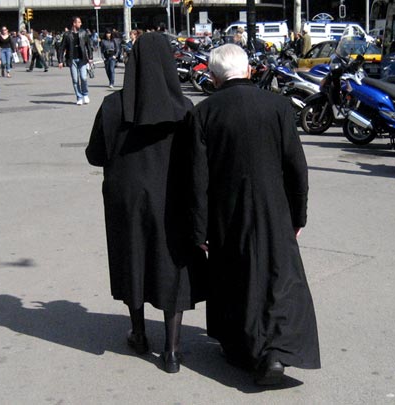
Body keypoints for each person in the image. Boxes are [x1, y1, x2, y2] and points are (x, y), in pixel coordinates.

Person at [187, 44, 321, 385]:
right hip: (274, 208)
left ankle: (245, 349)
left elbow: (198, 178)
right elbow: (296, 167)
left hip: (227, 213)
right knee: (279, 280)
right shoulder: (277, 105)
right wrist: (298, 215)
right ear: (248, 71)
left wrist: (199, 229)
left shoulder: (204, 113)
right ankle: (276, 353)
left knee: (237, 280)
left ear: (214, 77)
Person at [85, 32, 206, 374]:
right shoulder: (184, 109)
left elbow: (95, 156)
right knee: (173, 268)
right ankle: (171, 352)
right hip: (173, 201)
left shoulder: (113, 106)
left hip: (126, 203)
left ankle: (139, 334)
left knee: (133, 261)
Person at [58, 16, 93, 105]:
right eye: (79, 22)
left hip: (82, 59)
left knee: (83, 77)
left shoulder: (83, 33)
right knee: (75, 79)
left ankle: (85, 94)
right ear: (74, 23)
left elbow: (88, 46)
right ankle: (79, 97)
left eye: (80, 22)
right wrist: (60, 61)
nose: (80, 24)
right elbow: (61, 48)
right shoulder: (67, 35)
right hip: (72, 59)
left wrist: (90, 57)